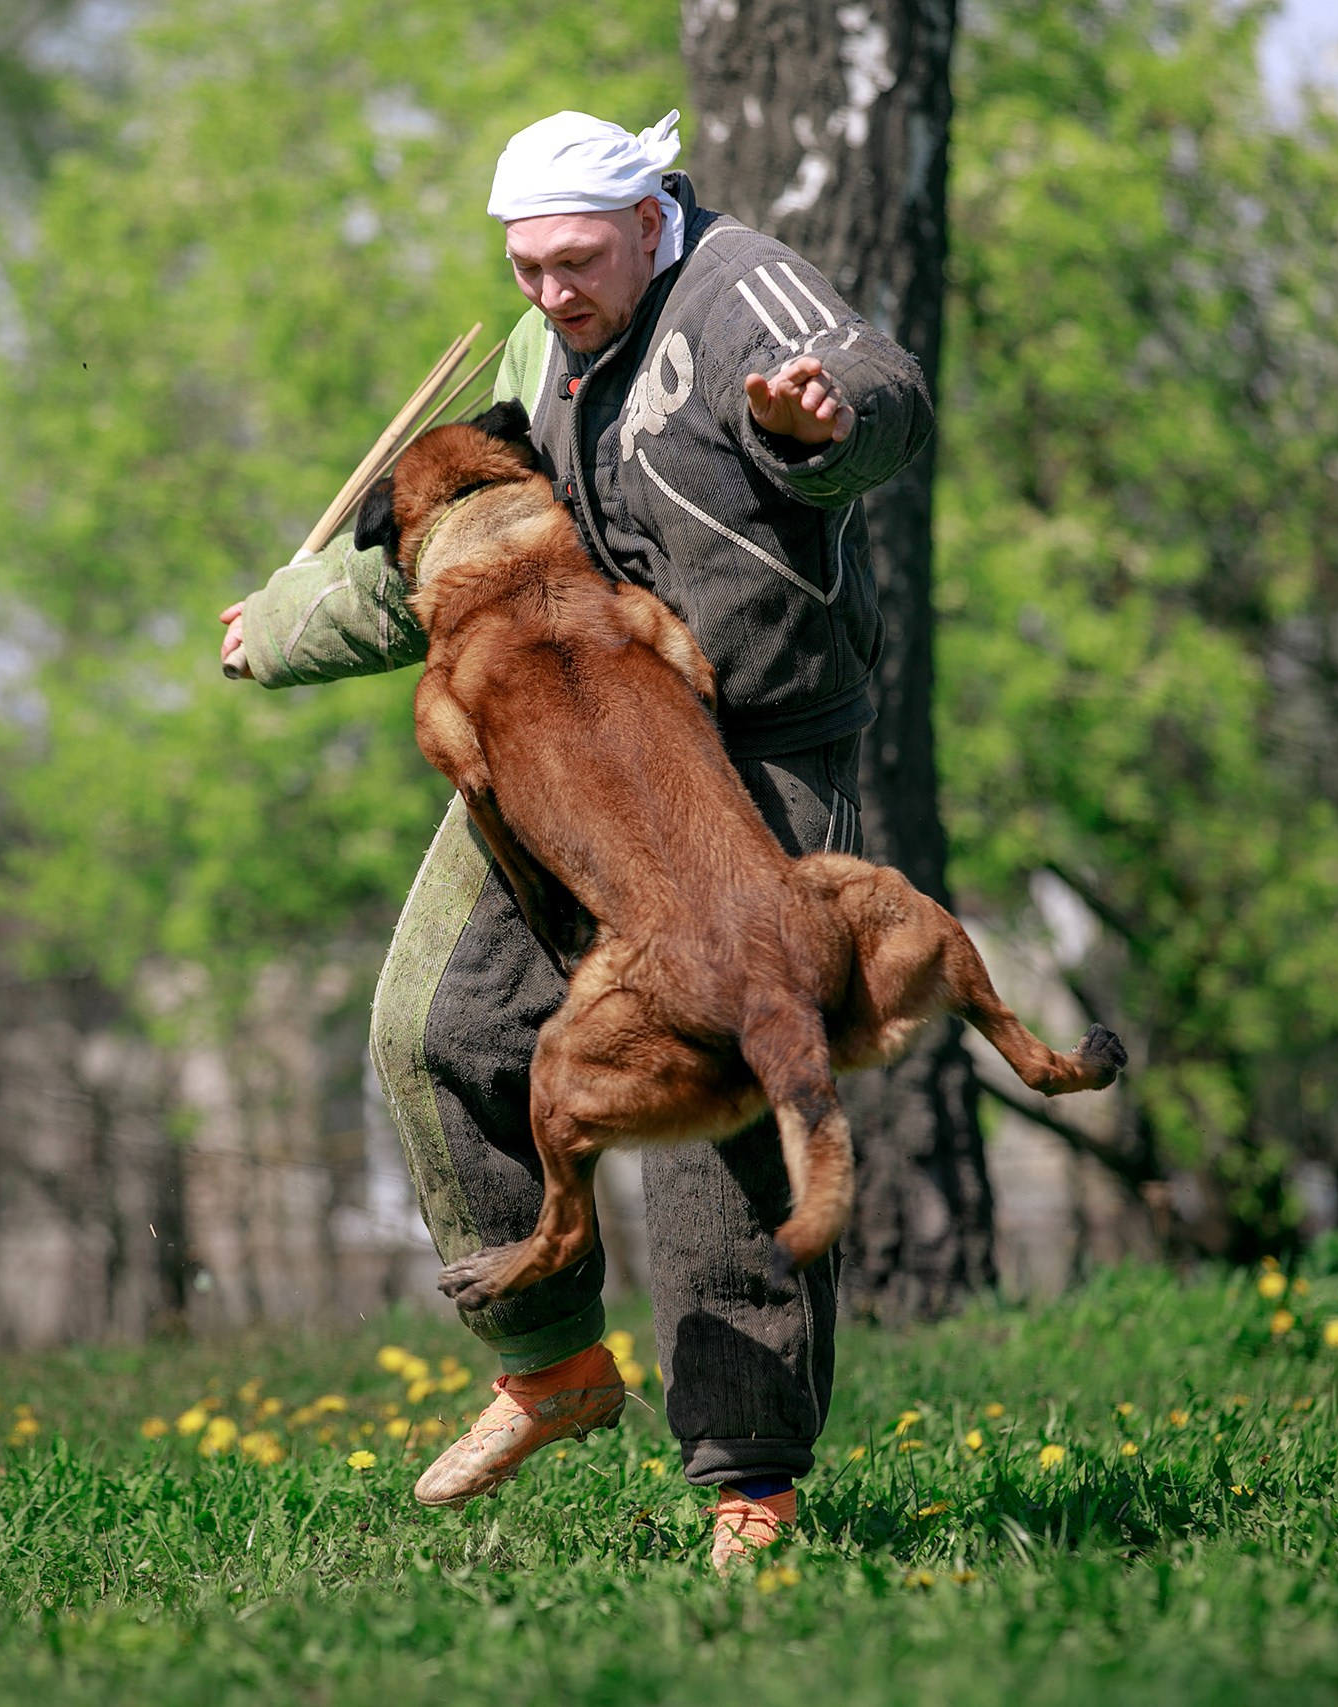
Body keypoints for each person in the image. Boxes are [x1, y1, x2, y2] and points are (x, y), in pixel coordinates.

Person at [218, 108, 934, 1568]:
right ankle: (549, 1368)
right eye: (527, 267)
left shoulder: (745, 292)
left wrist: (828, 420)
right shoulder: (542, 352)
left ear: (646, 213)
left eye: (574, 262)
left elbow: (882, 387)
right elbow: (463, 554)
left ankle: (751, 1481)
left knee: (727, 1097)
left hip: (754, 759)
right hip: (577, 741)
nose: (549, 294)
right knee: (435, 1029)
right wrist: (286, 625)